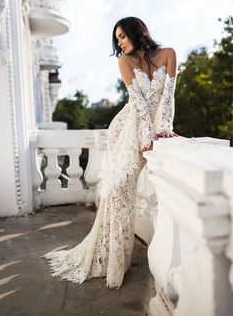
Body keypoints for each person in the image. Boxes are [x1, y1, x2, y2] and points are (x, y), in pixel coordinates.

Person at [44, 16, 178, 289]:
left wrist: (163, 129)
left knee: (120, 191)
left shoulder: (168, 54)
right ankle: (113, 260)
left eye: (122, 36)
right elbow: (139, 103)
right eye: (117, 39)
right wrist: (145, 138)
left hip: (154, 128)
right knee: (116, 190)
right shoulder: (124, 62)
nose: (119, 42)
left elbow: (168, 96)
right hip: (128, 130)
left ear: (136, 32)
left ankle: (118, 260)